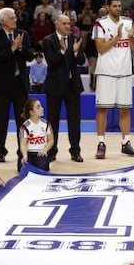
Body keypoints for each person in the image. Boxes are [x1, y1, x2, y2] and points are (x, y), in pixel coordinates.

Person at [92, 0, 134, 159]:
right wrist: (119, 38)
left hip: (125, 71)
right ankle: (101, 143)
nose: (118, 8)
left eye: (119, 6)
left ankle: (126, 142)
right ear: (108, 7)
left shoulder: (128, 23)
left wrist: (132, 36)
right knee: (103, 109)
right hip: (106, 71)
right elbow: (100, 48)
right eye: (114, 6)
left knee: (125, 109)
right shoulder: (100, 23)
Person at [0, 7, 33, 163]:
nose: (15, 20)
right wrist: (12, 48)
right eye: (11, 18)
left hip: (20, 85)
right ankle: (0, 152)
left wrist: (20, 47)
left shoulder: (23, 34)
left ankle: (22, 152)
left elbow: (29, 56)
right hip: (3, 86)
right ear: (2, 21)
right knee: (1, 121)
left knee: (23, 122)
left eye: (15, 17)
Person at [42, 15, 85, 162]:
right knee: (52, 121)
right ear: (57, 25)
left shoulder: (74, 39)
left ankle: (75, 151)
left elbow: (81, 61)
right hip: (55, 86)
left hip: (72, 86)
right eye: (65, 23)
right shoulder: (48, 41)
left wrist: (74, 52)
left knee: (74, 120)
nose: (68, 26)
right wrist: (62, 51)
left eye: (69, 23)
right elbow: (52, 63)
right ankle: (52, 151)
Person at [19, 99, 53, 172]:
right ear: (31, 112)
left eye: (41, 106)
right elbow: (23, 144)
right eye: (38, 107)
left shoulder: (46, 124)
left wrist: (45, 150)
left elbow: (51, 140)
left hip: (40, 152)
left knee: (42, 170)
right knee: (23, 169)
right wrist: (25, 156)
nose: (42, 108)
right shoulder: (24, 126)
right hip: (29, 153)